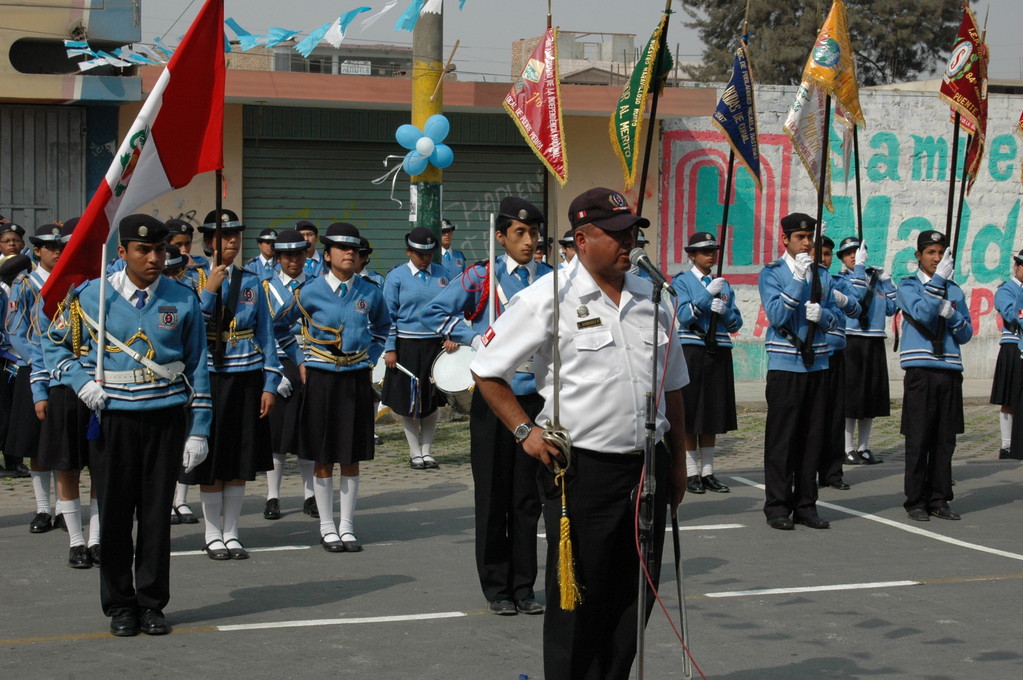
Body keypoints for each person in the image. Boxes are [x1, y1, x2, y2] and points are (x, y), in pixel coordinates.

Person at [471, 187, 689, 679]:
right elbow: (486, 369)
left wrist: (679, 462)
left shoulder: (654, 297)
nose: (627, 243)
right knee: (578, 596)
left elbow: (674, 386)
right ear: (583, 238)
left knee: (634, 591)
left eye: (632, 232)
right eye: (615, 234)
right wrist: (524, 430)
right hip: (583, 470)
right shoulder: (548, 296)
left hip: (647, 467)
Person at [44, 214, 211, 636]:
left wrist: (200, 427)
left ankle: (152, 603)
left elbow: (198, 364)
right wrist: (80, 383)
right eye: (144, 250)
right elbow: (51, 344)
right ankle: (120, 605)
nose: (155, 258)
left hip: (164, 418)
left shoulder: (182, 296)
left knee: (156, 517)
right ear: (121, 253)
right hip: (112, 418)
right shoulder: (91, 295)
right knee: (115, 515)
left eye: (160, 250)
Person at [423, 196, 550, 615]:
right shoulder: (481, 276)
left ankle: (524, 585)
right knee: (493, 494)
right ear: (501, 236)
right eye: (520, 233)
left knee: (528, 497)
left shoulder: (551, 278)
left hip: (534, 396)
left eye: (533, 233)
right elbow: (434, 314)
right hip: (493, 397)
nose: (529, 241)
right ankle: (497, 587)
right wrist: (473, 337)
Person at [278, 223, 389, 552]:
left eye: (354, 249)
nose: (350, 253)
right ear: (327, 255)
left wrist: (371, 357)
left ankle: (347, 524)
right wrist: (300, 358)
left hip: (355, 377)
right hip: (321, 377)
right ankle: (327, 525)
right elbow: (279, 326)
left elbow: (383, 326)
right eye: (342, 248)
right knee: (324, 454)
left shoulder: (370, 291)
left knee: (351, 454)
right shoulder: (309, 291)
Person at [193, 209, 282, 560]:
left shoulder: (251, 281)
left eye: (236, 234)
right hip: (209, 377)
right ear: (209, 241)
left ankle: (232, 532)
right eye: (224, 235)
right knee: (212, 457)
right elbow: (186, 329)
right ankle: (212, 532)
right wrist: (207, 293)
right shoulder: (191, 279)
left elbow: (267, 334)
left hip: (246, 374)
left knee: (240, 455)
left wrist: (270, 382)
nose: (232, 240)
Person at [758, 213, 842, 530]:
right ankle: (777, 507)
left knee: (812, 439)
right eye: (800, 238)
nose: (806, 243)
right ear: (786, 240)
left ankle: (806, 505)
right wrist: (798, 282)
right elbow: (777, 315)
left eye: (810, 237)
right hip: (785, 365)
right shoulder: (773, 274)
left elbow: (837, 318)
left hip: (818, 363)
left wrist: (823, 317)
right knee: (782, 440)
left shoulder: (822, 274)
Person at [35, 219, 103, 568]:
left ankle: (96, 539)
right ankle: (76, 541)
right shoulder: (55, 288)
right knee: (67, 467)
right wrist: (38, 390)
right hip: (65, 388)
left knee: (100, 466)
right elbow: (40, 345)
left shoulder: (109, 283)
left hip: (104, 389)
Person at [897, 230, 972, 521]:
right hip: (921, 370)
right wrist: (938, 281)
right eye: (930, 253)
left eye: (941, 253)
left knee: (945, 439)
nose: (936, 258)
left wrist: (954, 316)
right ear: (919, 256)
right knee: (918, 437)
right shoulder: (908, 286)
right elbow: (922, 312)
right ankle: (915, 500)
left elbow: (966, 334)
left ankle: (939, 498)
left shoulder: (954, 290)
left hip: (950, 369)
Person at [671, 230, 742, 494]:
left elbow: (736, 322)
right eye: (704, 251)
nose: (710, 255)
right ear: (691, 255)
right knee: (692, 413)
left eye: (713, 251)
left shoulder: (723, 284)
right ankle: (691, 473)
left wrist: (724, 311)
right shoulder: (682, 281)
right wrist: (705, 296)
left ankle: (709, 471)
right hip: (692, 348)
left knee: (712, 413)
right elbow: (684, 316)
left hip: (719, 349)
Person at [7, 224, 67, 533]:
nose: (56, 251)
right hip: (35, 368)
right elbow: (15, 330)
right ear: (37, 251)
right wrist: (40, 360)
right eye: (49, 246)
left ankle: (64, 508)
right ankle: (43, 508)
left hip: (67, 370)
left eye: (60, 246)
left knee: (63, 443)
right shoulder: (26, 283)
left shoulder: (72, 282)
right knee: (36, 443)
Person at [381, 226, 451, 470]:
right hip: (407, 344)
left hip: (435, 345)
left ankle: (427, 450)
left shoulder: (443, 274)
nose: (425, 259)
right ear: (408, 252)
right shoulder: (397, 277)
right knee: (409, 400)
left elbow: (452, 308)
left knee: (431, 400)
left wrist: (451, 335)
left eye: (430, 254)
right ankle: (413, 452)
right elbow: (387, 316)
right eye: (420, 254)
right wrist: (390, 348)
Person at [262, 229, 318, 520]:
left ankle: (310, 495)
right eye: (287, 255)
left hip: (313, 362)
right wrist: (273, 372)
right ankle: (273, 496)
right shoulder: (265, 287)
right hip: (280, 362)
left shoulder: (316, 286)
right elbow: (261, 333)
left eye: (298, 254)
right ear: (278, 257)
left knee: (307, 433)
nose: (293, 260)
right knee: (279, 436)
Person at [837, 237, 896, 466]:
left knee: (870, 397)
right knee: (851, 398)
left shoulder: (876, 282)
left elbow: (892, 307)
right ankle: (846, 447)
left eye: (857, 252)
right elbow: (857, 298)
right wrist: (859, 270)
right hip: (852, 341)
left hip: (874, 341)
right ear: (842, 258)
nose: (853, 256)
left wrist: (888, 281)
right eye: (848, 253)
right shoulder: (841, 280)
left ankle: (863, 447)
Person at [813, 236, 862, 492]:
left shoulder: (840, 281)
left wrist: (843, 299)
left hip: (836, 355)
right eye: (819, 253)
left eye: (828, 254)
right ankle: (809, 469)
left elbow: (857, 305)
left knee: (834, 416)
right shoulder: (807, 282)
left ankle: (832, 471)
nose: (824, 258)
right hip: (814, 357)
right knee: (814, 418)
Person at [0, 254, 32, 479]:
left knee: (8, 414)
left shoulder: (10, 293)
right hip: (8, 356)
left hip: (12, 358)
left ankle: (14, 459)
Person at [991, 249, 1023, 460]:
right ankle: (1007, 445)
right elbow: (1012, 313)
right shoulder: (1006, 289)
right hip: (1012, 347)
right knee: (1010, 398)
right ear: (1017, 266)